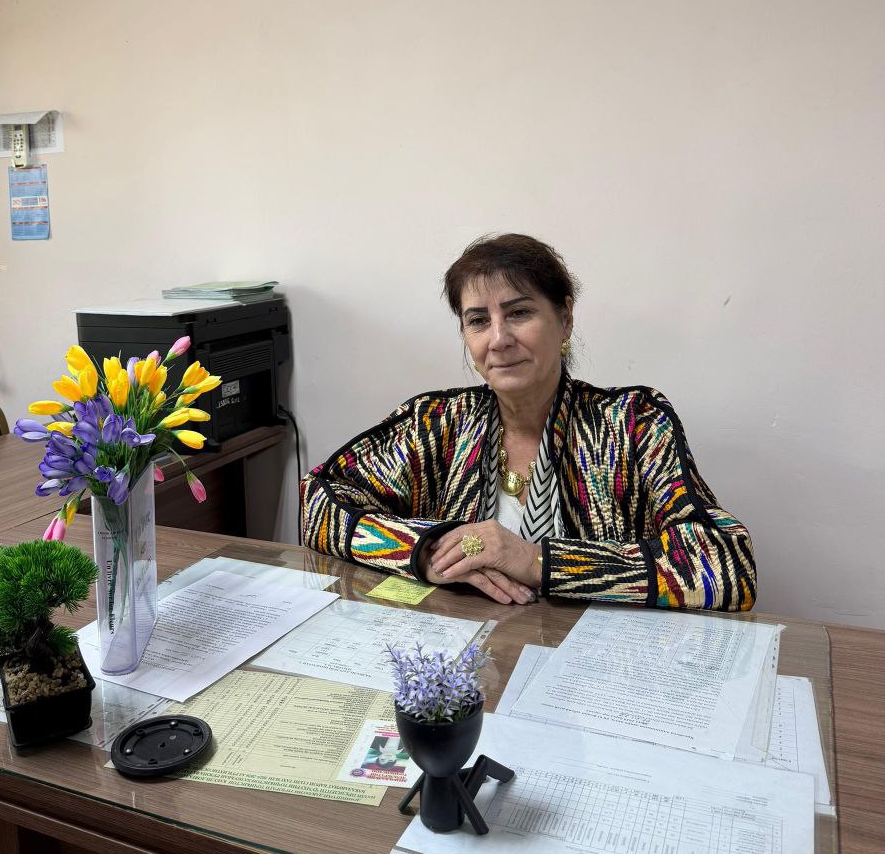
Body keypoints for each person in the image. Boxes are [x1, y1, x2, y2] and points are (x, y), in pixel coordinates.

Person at [301, 234, 755, 610]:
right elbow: (317, 501)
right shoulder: (437, 423)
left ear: (565, 319)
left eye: (519, 313)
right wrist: (424, 551)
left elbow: (727, 567)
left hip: (593, 669)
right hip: (465, 663)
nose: (499, 339)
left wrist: (538, 562)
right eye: (478, 320)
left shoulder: (633, 423)